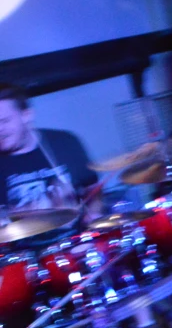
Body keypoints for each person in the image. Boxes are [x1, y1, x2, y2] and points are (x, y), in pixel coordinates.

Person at [0, 83, 101, 244]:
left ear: (26, 115)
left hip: (78, 243)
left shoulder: (65, 143)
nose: (0, 129)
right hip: (26, 257)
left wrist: (94, 215)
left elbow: (92, 190)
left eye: (4, 121)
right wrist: (41, 207)